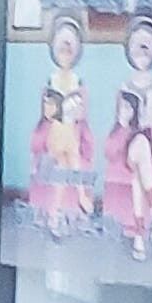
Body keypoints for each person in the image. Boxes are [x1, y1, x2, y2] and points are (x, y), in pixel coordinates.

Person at [100, 16, 152, 260]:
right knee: (140, 148)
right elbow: (118, 125)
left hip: (148, 144)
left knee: (138, 171)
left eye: (148, 47)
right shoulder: (125, 86)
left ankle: (138, 236)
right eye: (138, 46)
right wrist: (125, 120)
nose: (142, 52)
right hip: (127, 143)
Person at [25, 23, 98, 238]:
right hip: (54, 132)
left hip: (71, 130)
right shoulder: (51, 79)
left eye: (69, 50)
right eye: (61, 50)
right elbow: (46, 113)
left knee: (66, 159)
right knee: (66, 146)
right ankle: (82, 196)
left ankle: (54, 215)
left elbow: (82, 112)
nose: (65, 55)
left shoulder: (78, 80)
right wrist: (54, 107)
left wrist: (74, 108)